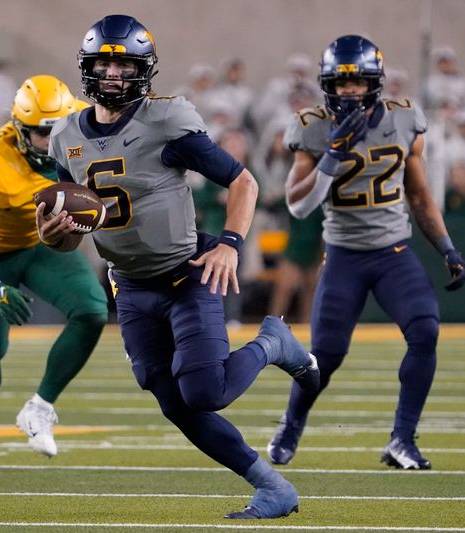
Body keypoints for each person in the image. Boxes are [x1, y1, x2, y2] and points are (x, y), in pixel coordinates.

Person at [38, 14, 319, 519]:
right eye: (104, 65)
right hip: (129, 283)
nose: (113, 77)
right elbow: (73, 228)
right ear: (87, 69)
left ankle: (273, 341)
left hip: (186, 271)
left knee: (205, 391)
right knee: (173, 402)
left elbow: (244, 183)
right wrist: (55, 237)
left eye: (124, 67)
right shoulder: (63, 137)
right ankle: (273, 487)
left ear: (144, 72)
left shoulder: (166, 121)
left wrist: (231, 242)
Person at [268, 35, 465, 471]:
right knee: (325, 357)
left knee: (425, 330)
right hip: (343, 255)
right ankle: (291, 423)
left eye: (357, 82)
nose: (348, 92)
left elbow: (418, 195)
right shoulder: (313, 125)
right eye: (339, 84)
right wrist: (332, 156)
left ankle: (402, 439)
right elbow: (298, 205)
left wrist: (446, 247)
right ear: (327, 85)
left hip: (394, 252)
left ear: (375, 82)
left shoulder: (403, 120)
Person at [0, 75, 109, 469]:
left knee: (92, 310)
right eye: (41, 133)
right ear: (19, 127)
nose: (52, 141)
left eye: (58, 130)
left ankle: (40, 408)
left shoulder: (81, 128)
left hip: (40, 245)